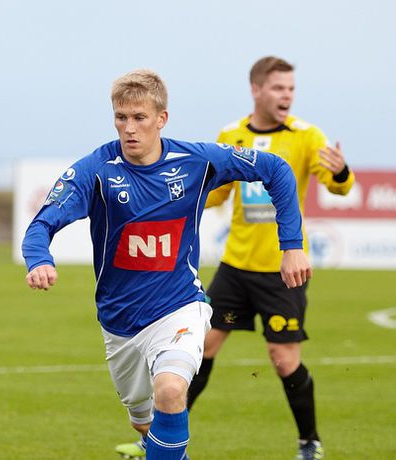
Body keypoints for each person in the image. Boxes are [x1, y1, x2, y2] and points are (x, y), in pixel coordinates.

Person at [22, 69, 311, 460]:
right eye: (121, 117)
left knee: (172, 390)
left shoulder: (197, 161)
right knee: (146, 425)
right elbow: (42, 224)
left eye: (139, 118)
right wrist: (39, 259)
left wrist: (291, 245)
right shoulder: (95, 170)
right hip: (120, 322)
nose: (129, 128)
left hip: (179, 307)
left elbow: (276, 169)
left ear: (162, 118)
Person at [186, 57, 355, 460]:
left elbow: (338, 186)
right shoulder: (231, 134)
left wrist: (341, 172)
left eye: (291, 89)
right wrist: (182, 199)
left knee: (283, 359)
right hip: (235, 267)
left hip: (283, 272)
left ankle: (310, 442)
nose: (287, 96)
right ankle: (159, 437)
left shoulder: (307, 136)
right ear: (256, 90)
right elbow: (219, 192)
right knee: (201, 347)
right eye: (279, 88)